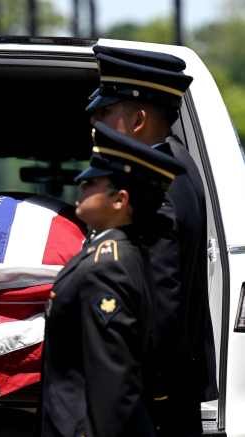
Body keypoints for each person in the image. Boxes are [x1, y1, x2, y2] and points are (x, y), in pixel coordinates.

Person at [87, 45, 218, 436]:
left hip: (152, 399)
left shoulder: (153, 187)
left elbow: (162, 298)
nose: (96, 125)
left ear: (139, 119)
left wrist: (149, 388)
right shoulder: (179, 165)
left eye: (106, 114)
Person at [40, 121, 184, 437]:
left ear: (119, 200)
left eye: (92, 182)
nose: (80, 184)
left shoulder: (107, 266)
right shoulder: (110, 254)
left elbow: (113, 380)